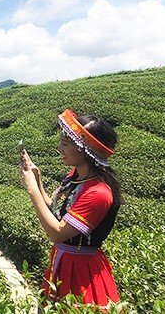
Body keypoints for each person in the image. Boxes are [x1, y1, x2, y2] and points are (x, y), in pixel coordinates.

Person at [19, 109, 122, 310]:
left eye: (65, 144)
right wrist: (36, 178)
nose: (59, 148)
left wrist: (32, 190)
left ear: (85, 148)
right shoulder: (77, 177)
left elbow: (58, 233)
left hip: (80, 269)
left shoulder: (98, 193)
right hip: (63, 260)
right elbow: (55, 210)